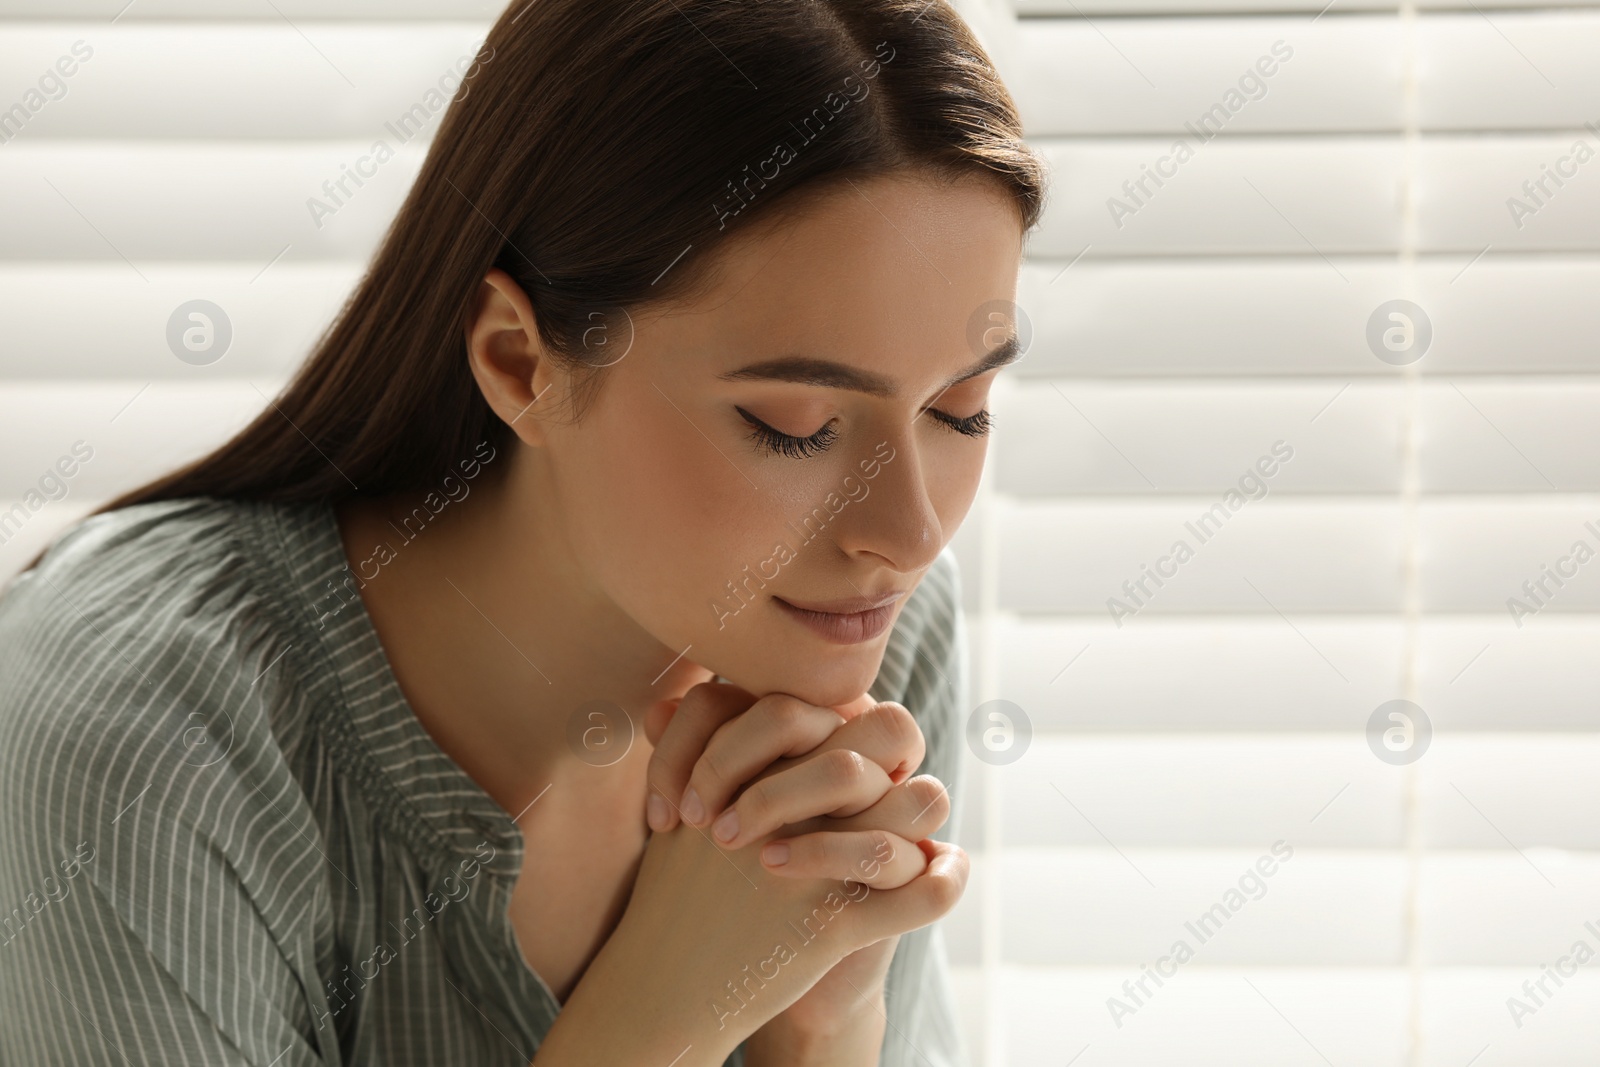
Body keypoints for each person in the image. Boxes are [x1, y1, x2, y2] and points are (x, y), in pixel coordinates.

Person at [0, 0, 1046, 1063]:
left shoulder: (860, 630)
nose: (908, 530)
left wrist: (824, 1023)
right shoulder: (146, 736)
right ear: (518, 361)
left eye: (959, 408)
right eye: (797, 426)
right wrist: (663, 1020)